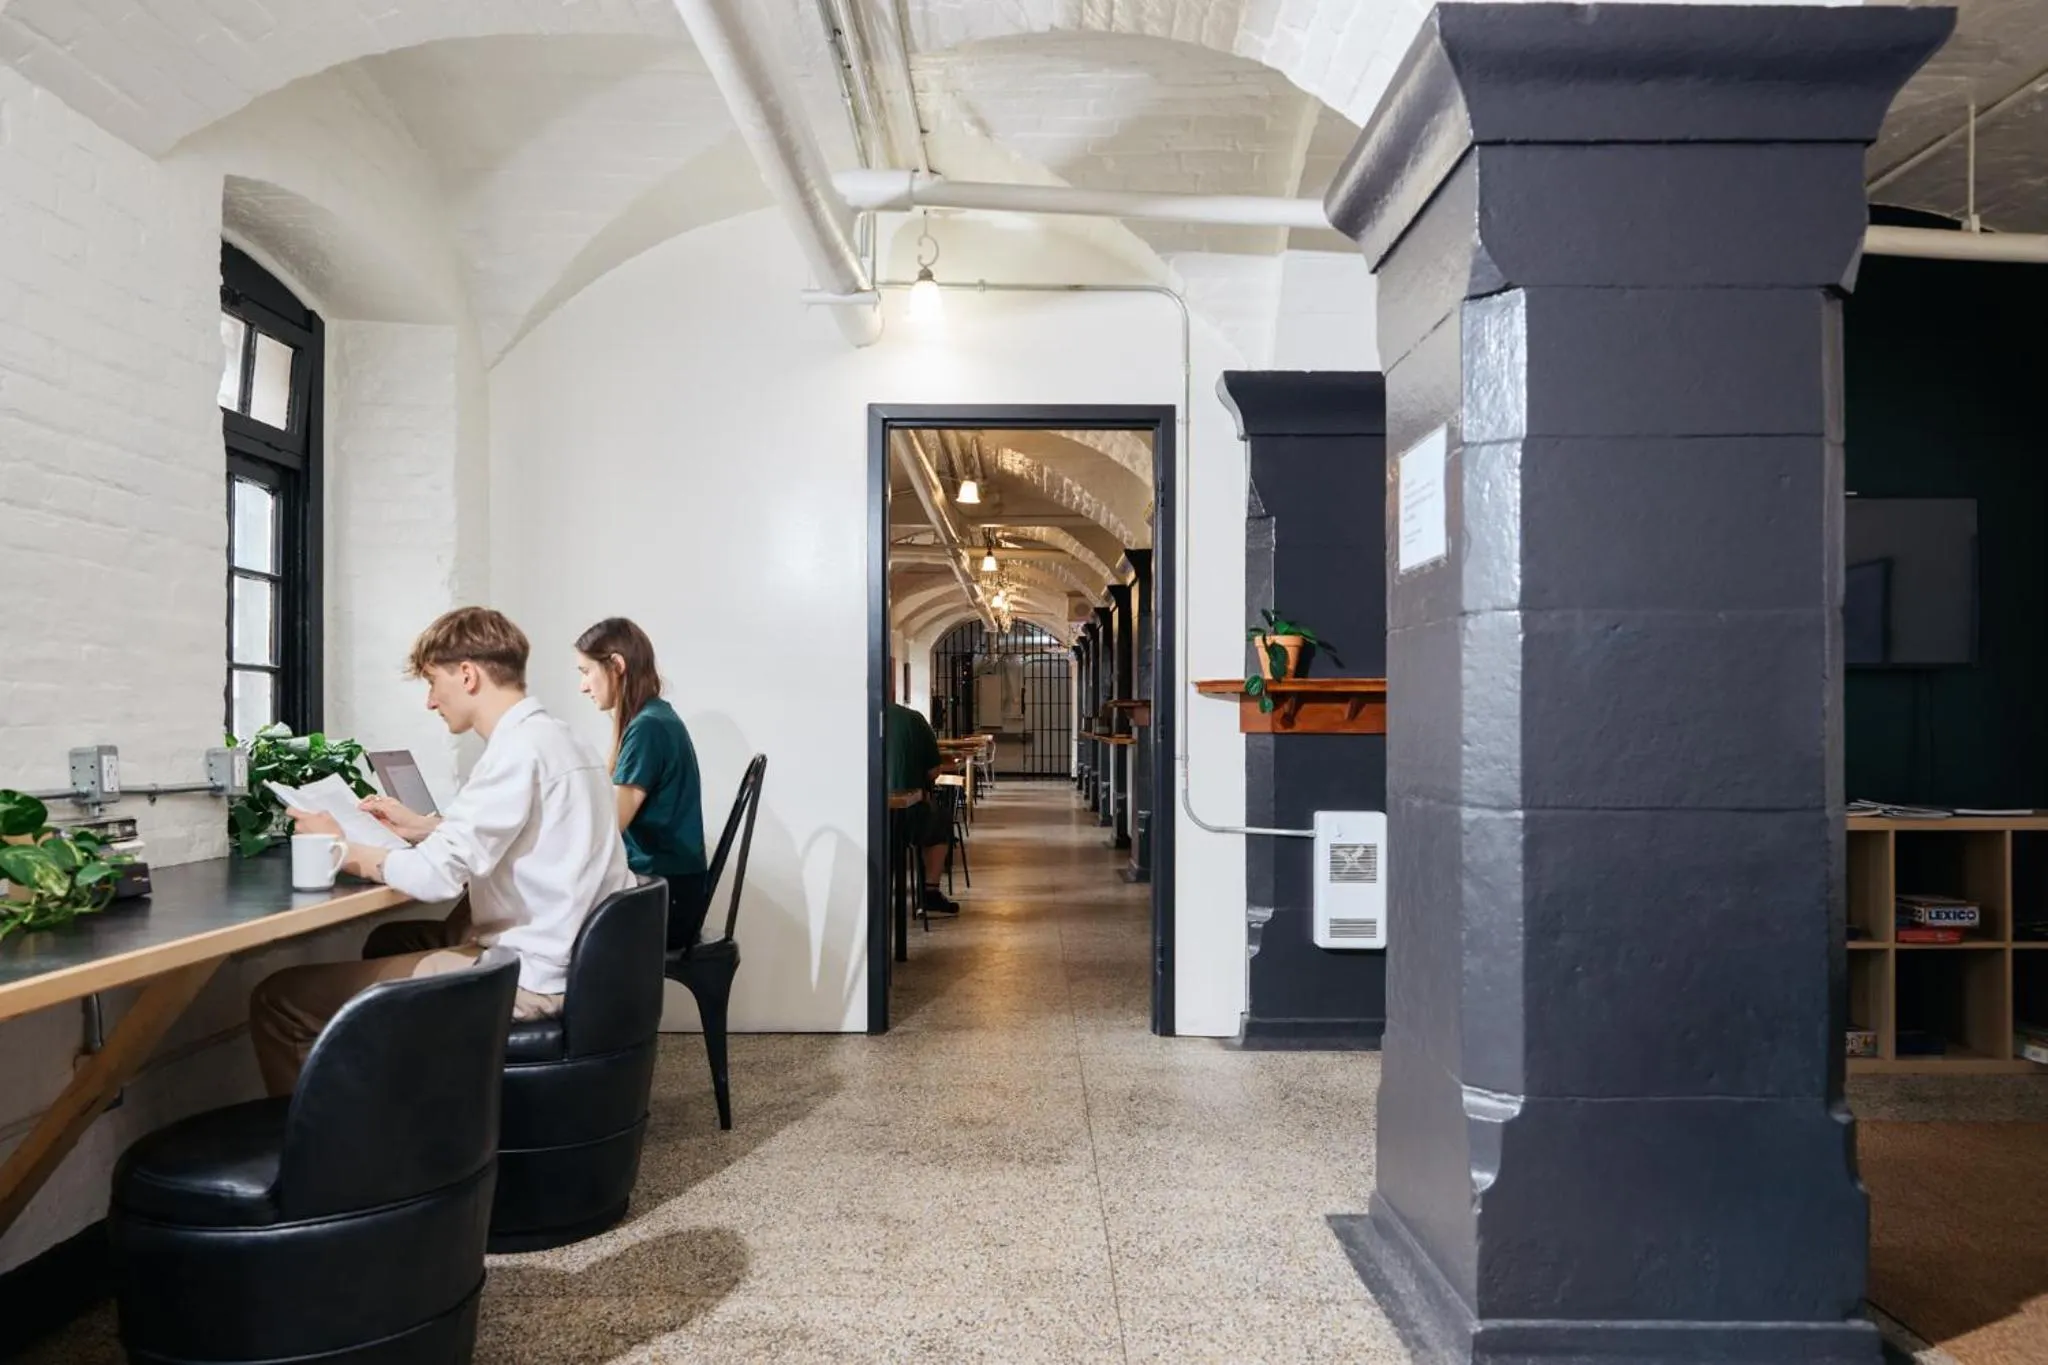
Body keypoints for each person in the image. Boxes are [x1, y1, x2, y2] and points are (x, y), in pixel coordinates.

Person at [249, 607, 632, 1096]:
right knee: (391, 941)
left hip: (529, 979)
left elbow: (435, 880)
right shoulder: (560, 739)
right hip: (573, 960)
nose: (431, 701)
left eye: (433, 682)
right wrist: (423, 828)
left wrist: (338, 847)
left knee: (279, 999)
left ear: (467, 674)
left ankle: (322, 1165)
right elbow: (526, 835)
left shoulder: (515, 752)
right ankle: (398, 1117)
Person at [574, 617, 709, 951]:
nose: (583, 686)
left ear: (616, 665)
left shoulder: (648, 727)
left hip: (666, 900)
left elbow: (610, 826)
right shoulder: (652, 717)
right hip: (670, 890)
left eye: (586, 671)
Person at [885, 663, 957, 914]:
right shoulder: (913, 720)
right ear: (892, 687)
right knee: (941, 824)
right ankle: (930, 891)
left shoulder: (851, 719)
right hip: (908, 816)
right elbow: (934, 771)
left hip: (863, 819)